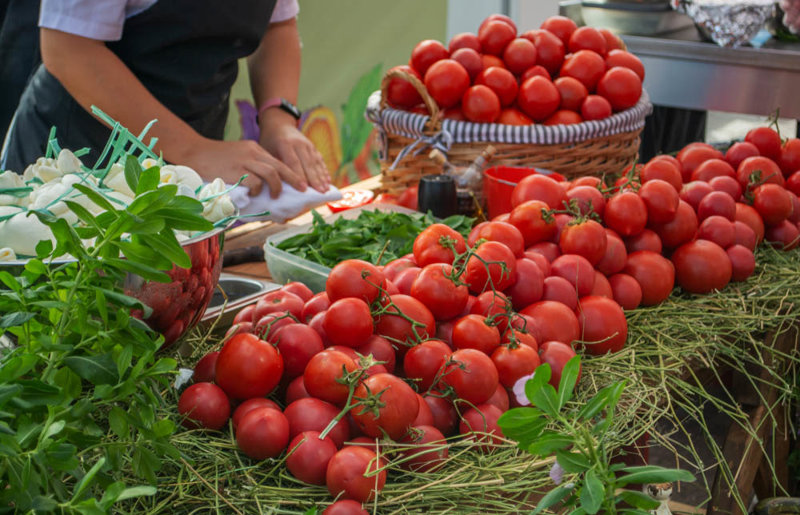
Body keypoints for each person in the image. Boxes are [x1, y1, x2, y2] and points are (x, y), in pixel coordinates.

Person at [0, 0, 330, 199]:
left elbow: (279, 25)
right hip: (76, 163)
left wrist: (278, 119)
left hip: (193, 158)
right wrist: (194, 151)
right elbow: (69, 49)